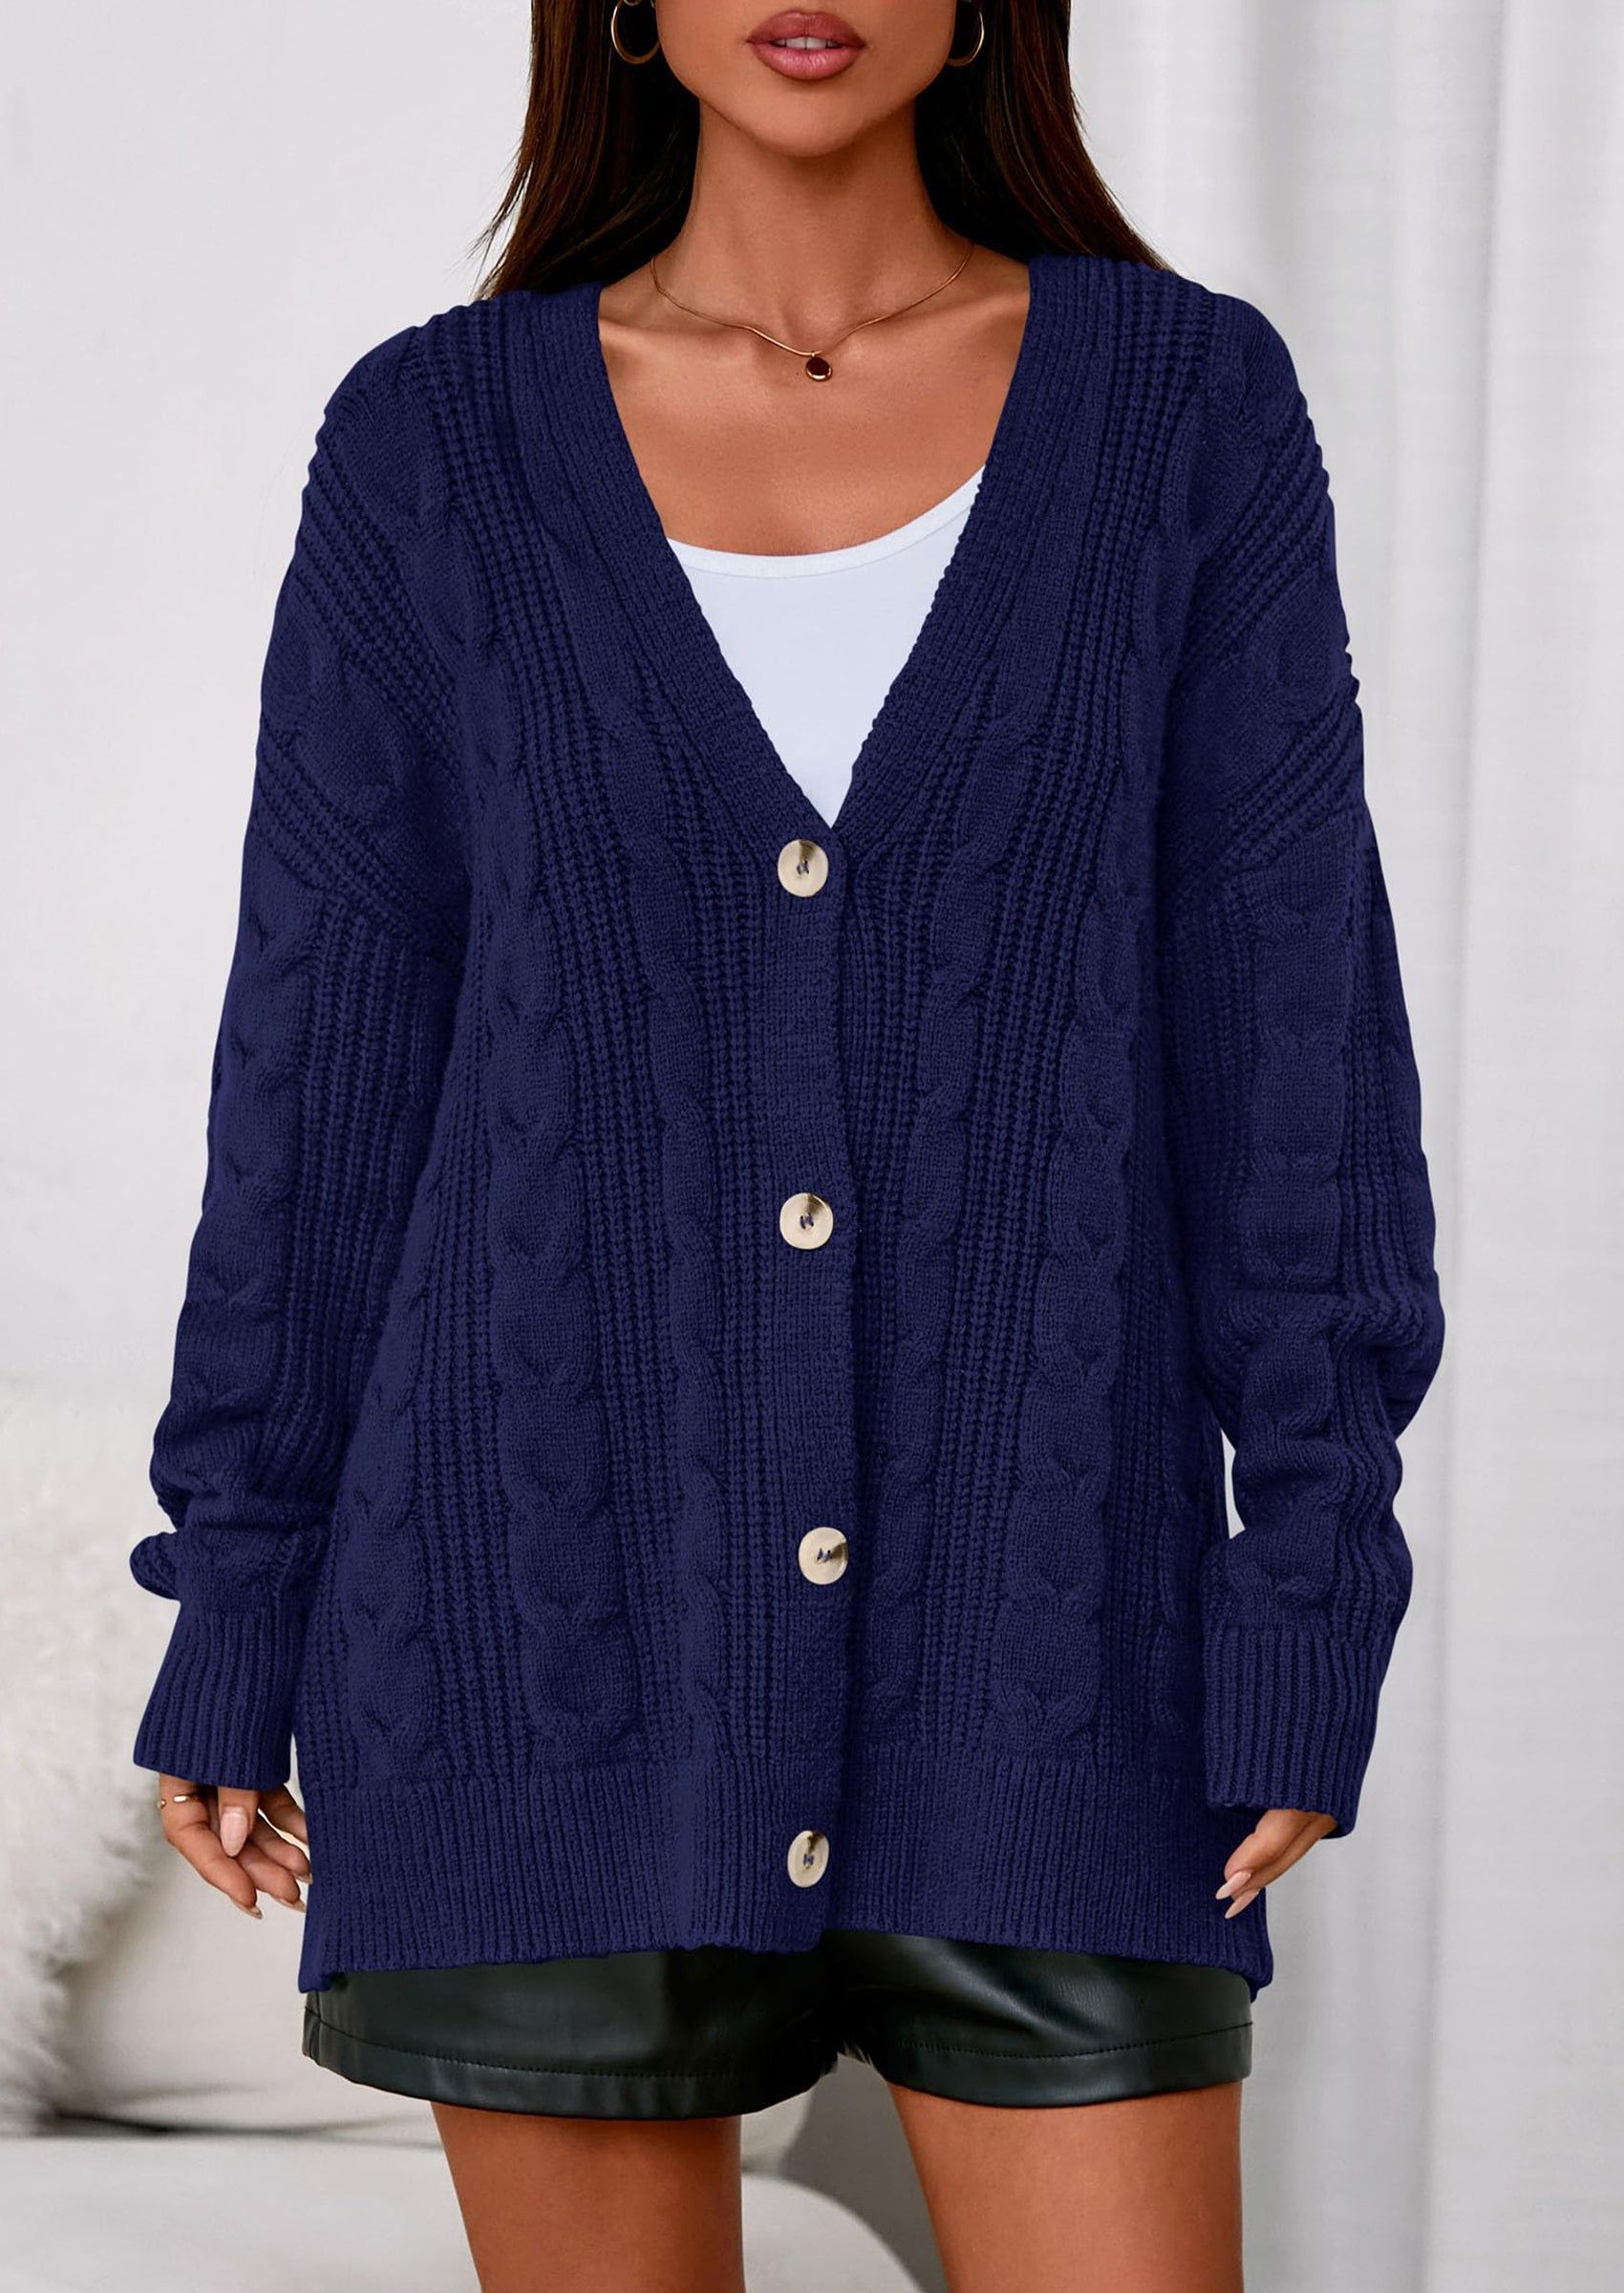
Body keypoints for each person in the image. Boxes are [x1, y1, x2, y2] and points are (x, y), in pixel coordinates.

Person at [128, 5, 1446, 2287]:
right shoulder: (433, 441)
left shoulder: (1182, 410)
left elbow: (1297, 1050)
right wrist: (239, 1597)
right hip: (539, 1652)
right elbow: (321, 1079)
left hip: (1052, 1660)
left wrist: (1308, 1590)